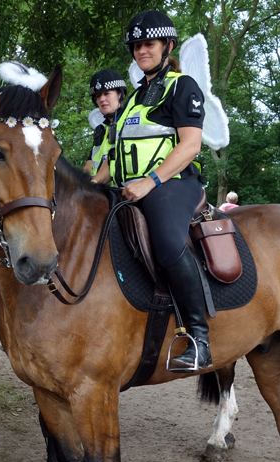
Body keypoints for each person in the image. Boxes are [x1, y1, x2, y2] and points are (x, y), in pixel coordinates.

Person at [93, 10, 210, 371]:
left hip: (173, 184)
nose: (142, 50)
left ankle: (198, 337)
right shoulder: (131, 100)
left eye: (149, 44)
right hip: (130, 190)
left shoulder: (182, 86)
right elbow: (112, 159)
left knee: (167, 241)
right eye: (137, 46)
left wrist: (152, 181)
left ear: (167, 46)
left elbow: (190, 145)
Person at [83, 69, 127, 178]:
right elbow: (88, 169)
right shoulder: (101, 130)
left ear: (120, 95)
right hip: (100, 191)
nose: (102, 99)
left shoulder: (131, 122)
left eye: (107, 94)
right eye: (98, 96)